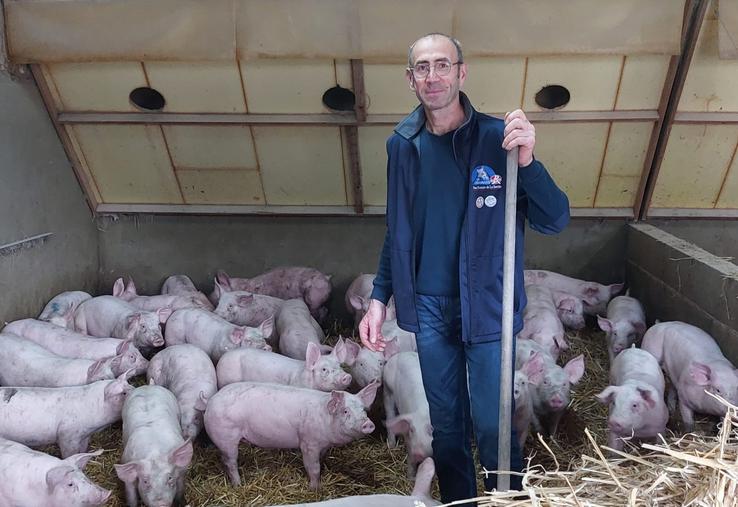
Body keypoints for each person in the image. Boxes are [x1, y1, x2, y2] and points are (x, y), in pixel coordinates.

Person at [358, 33, 570, 504]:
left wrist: (529, 160)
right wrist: (378, 297)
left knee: (494, 424)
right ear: (410, 79)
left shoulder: (500, 139)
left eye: (442, 65)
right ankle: (461, 501)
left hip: (488, 304)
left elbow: (555, 218)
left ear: (461, 72)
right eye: (422, 68)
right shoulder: (402, 144)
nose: (432, 76)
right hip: (430, 308)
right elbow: (398, 230)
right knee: (447, 425)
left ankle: (507, 498)